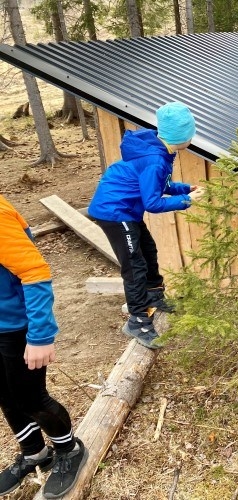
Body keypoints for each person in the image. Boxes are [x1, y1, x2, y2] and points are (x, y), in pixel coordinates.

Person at [88, 102, 205, 349]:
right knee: (134, 264)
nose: (192, 137)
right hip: (114, 211)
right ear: (180, 136)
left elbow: (159, 185)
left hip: (127, 209)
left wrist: (185, 188)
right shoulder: (155, 159)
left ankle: (154, 294)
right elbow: (152, 202)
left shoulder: (161, 151)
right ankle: (137, 320)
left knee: (148, 250)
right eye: (191, 133)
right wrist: (186, 201)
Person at [0, 195, 88, 498]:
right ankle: (34, 453)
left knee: (31, 399)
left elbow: (35, 273)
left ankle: (69, 450)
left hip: (17, 328)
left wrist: (40, 336)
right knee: (7, 397)